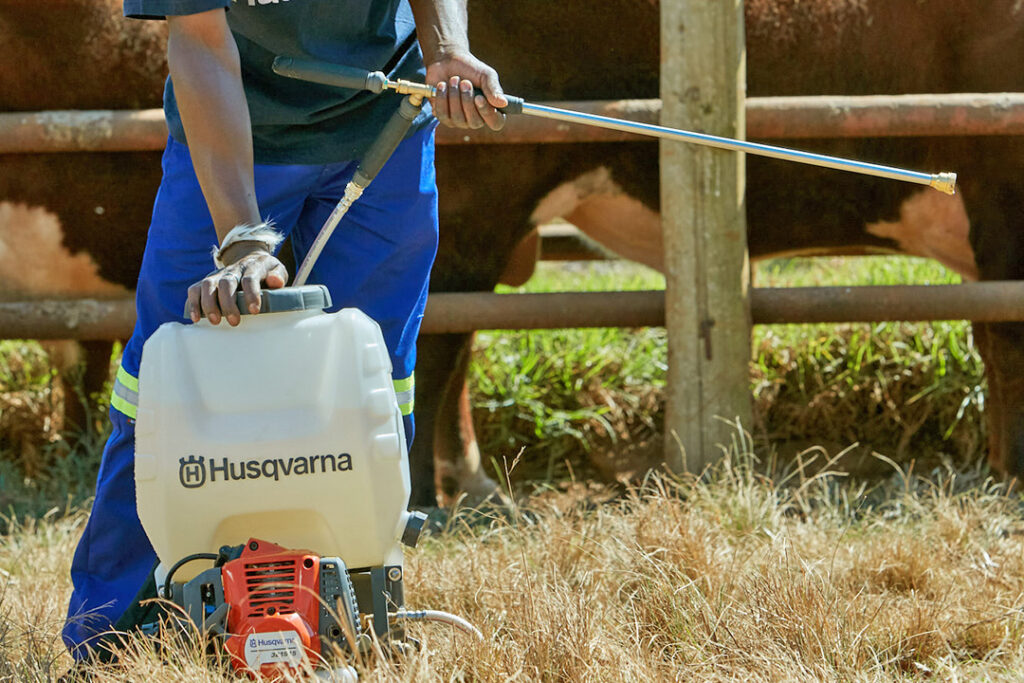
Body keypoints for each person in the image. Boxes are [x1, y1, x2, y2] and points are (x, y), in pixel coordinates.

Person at [62, 0, 506, 658]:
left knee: (376, 385)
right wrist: (241, 238)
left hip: (385, 120)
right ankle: (112, 643)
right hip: (236, 124)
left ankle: (353, 621)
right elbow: (201, 42)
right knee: (164, 382)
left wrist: (447, 49)